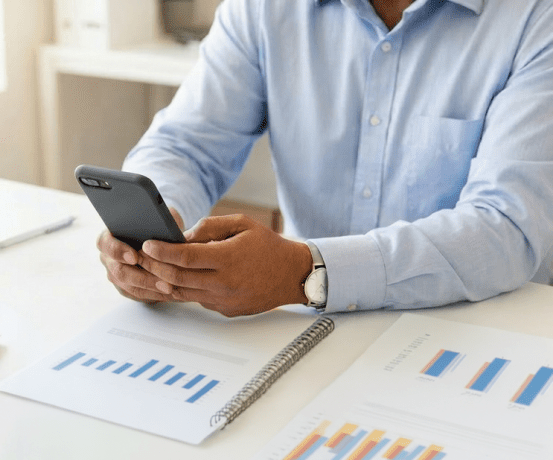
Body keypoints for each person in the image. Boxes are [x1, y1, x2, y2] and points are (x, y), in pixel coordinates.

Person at [97, 0, 553, 317]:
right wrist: (154, 232)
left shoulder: (536, 17)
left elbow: (507, 228)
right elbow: (186, 144)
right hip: (301, 323)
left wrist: (305, 271)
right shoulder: (264, 8)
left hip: (480, 331)